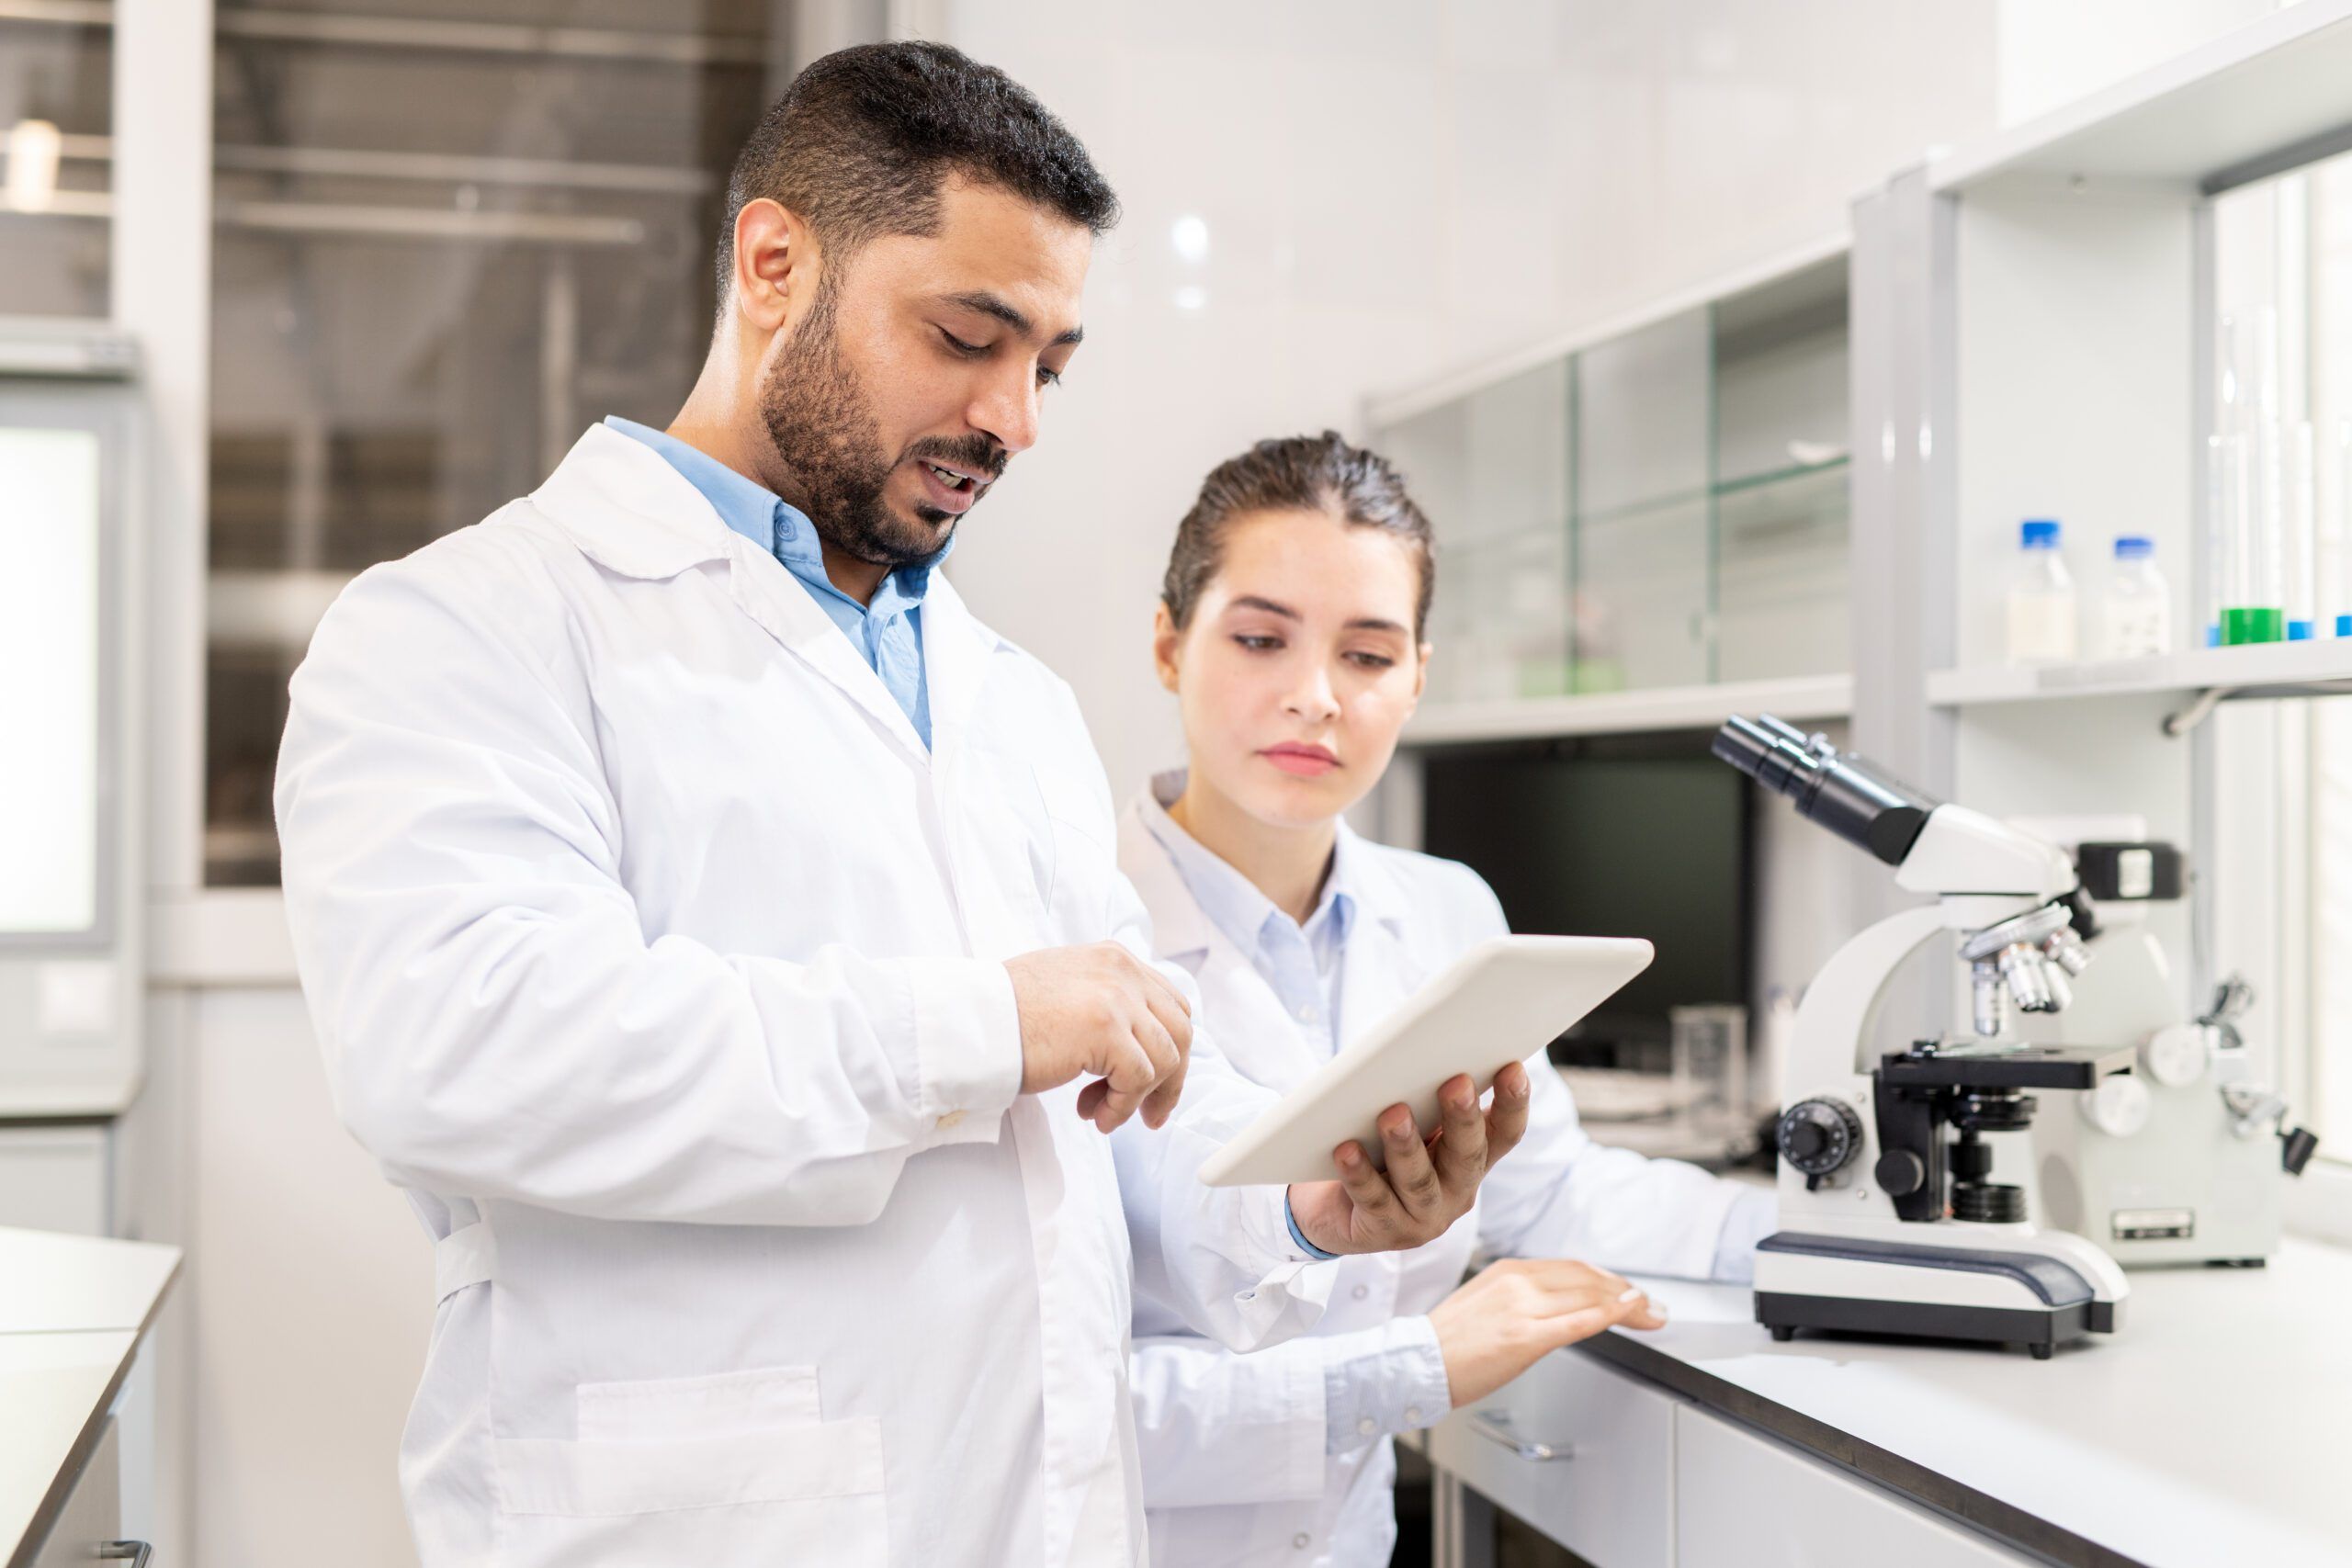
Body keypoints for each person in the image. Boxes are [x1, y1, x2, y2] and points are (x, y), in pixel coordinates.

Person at [273, 50, 1530, 1568]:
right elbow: (459, 1046)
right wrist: (984, 1023)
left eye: (1050, 364)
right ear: (774, 263)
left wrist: (1305, 1216)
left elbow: (1096, 1147)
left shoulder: (1015, 704)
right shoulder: (469, 625)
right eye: (967, 336)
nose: (1016, 418)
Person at [1123, 432, 1778, 1567]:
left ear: (1419, 675)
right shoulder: (1077, 932)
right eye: (1261, 639)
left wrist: (1814, 1243)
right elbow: (1052, 1394)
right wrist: (1412, 1366)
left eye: (1368, 657)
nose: (1315, 698)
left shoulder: (1443, 915)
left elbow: (1553, 1194)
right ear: (1171, 646)